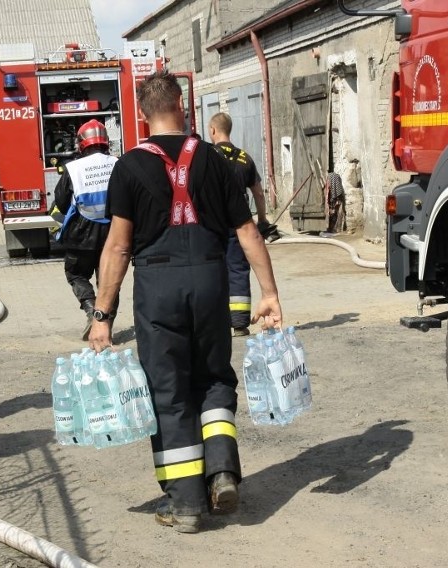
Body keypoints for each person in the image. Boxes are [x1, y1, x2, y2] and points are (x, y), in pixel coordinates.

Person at [88, 71, 283, 533]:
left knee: (169, 390)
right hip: (211, 280)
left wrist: (102, 315)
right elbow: (248, 231)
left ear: (140, 113)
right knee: (215, 377)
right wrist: (269, 293)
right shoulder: (216, 161)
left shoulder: (129, 166)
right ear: (181, 102)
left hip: (158, 287)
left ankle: (188, 504)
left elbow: (117, 247)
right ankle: (221, 471)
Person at [208, 111, 271, 336]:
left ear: (213, 130)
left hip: (213, 224)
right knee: (238, 269)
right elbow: (258, 193)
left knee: (213, 269)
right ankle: (240, 323)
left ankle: (215, 320)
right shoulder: (245, 158)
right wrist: (262, 220)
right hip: (240, 224)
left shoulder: (207, 156)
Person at [54, 119, 118, 340]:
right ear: (105, 141)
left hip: (81, 235)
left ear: (82, 143)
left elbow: (61, 203)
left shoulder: (73, 168)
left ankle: (91, 309)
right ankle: (106, 321)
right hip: (113, 234)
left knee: (76, 273)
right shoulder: (117, 163)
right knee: (109, 279)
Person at [321, 170, 346, 237]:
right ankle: (330, 227)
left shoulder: (333, 179)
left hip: (336, 202)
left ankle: (336, 228)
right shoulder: (329, 182)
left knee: (337, 212)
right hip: (332, 202)